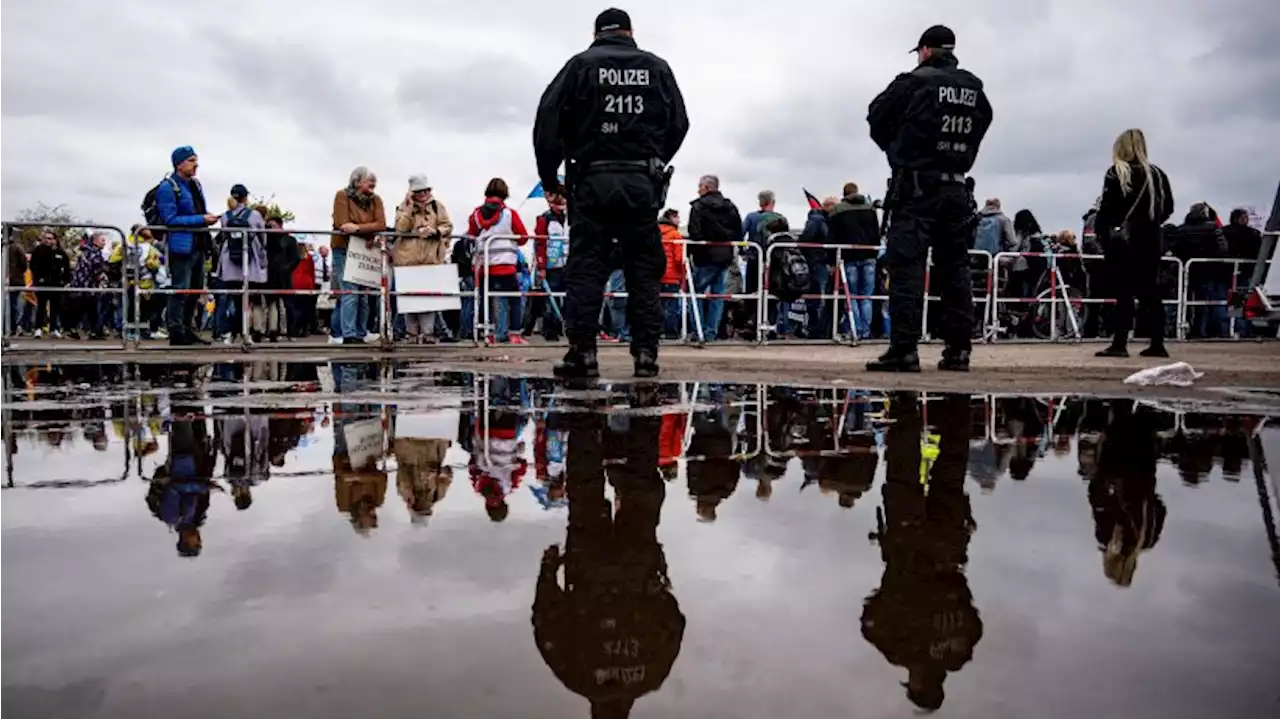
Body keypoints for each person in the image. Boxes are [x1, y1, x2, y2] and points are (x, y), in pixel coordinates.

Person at [533, 7, 690, 378]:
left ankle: (583, 353)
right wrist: (653, 160)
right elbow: (679, 123)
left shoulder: (579, 67)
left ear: (595, 34)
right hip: (640, 184)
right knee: (643, 269)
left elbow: (547, 120)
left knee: (587, 267)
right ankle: (646, 354)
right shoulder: (657, 67)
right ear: (630, 31)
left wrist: (550, 177)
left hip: (590, 180)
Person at [865, 25, 992, 372]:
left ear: (924, 50)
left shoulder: (913, 82)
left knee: (906, 266)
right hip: (955, 187)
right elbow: (984, 122)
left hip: (916, 187)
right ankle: (958, 351)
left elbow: (876, 116)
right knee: (955, 268)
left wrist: (900, 150)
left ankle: (904, 349)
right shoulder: (973, 87)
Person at [1093, 128, 1174, 358]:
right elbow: (1168, 207)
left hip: (1124, 241)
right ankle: (1158, 342)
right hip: (1150, 237)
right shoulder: (1157, 175)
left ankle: (1120, 343)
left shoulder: (1117, 173)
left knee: (1124, 293)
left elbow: (1107, 211)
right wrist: (1151, 222)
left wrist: (1105, 235)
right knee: (1150, 291)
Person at [156, 146, 219, 346]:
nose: (196, 164)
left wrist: (206, 218)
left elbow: (197, 209)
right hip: (181, 246)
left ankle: (187, 327)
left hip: (198, 244)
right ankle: (176, 331)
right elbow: (170, 219)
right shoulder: (168, 187)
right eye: (192, 160)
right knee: (180, 289)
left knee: (195, 289)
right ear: (179, 163)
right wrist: (201, 219)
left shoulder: (195, 185)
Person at [393, 174, 454, 344]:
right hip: (408, 261)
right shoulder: (403, 207)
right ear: (412, 193)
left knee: (428, 301)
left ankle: (428, 334)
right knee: (409, 301)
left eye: (425, 190)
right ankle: (412, 335)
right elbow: (401, 228)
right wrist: (409, 209)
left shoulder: (437, 206)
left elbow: (448, 225)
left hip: (430, 261)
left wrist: (435, 231)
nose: (423, 194)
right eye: (418, 192)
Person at [331, 166, 387, 345]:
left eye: (374, 184)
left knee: (363, 294)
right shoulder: (342, 195)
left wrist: (357, 228)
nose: (373, 186)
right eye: (369, 183)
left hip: (364, 249)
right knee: (349, 292)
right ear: (357, 182)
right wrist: (367, 228)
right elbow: (342, 223)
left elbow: (381, 224)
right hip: (344, 249)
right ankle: (347, 334)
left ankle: (360, 332)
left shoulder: (376, 200)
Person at [828, 183, 882, 340]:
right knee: (866, 296)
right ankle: (865, 331)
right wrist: (875, 252)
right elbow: (876, 233)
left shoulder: (837, 210)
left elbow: (832, 237)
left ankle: (855, 329)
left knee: (851, 295)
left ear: (844, 194)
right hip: (869, 256)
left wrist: (832, 260)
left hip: (848, 257)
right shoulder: (870, 208)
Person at [216, 185, 268, 344]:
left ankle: (230, 332)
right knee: (247, 300)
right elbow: (262, 237)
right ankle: (244, 332)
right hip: (249, 262)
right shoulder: (255, 215)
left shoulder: (225, 216)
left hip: (230, 261)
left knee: (234, 299)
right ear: (246, 198)